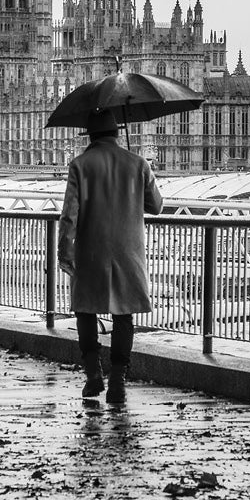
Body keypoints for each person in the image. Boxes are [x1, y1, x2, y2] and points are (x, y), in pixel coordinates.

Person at [55, 114, 164, 408]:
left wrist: (64, 251)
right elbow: (156, 205)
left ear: (89, 136)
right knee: (124, 315)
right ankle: (118, 380)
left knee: (85, 311)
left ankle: (93, 375)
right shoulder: (137, 163)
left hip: (91, 249)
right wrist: (145, 172)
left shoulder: (80, 165)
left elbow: (69, 215)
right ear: (117, 133)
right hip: (128, 251)